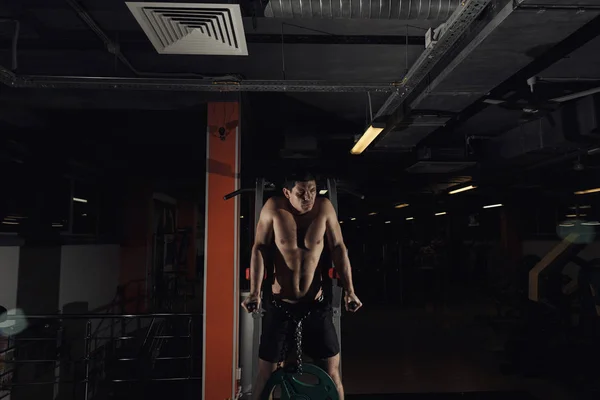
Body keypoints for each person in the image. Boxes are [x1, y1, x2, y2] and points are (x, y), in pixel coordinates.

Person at [241, 171, 362, 400]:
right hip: (280, 306)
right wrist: (255, 292)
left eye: (313, 191)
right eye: (301, 193)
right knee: (267, 374)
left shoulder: (324, 208)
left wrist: (350, 290)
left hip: (315, 306)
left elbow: (338, 248)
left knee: (332, 372)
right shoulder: (273, 208)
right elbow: (260, 249)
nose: (309, 197)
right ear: (287, 193)